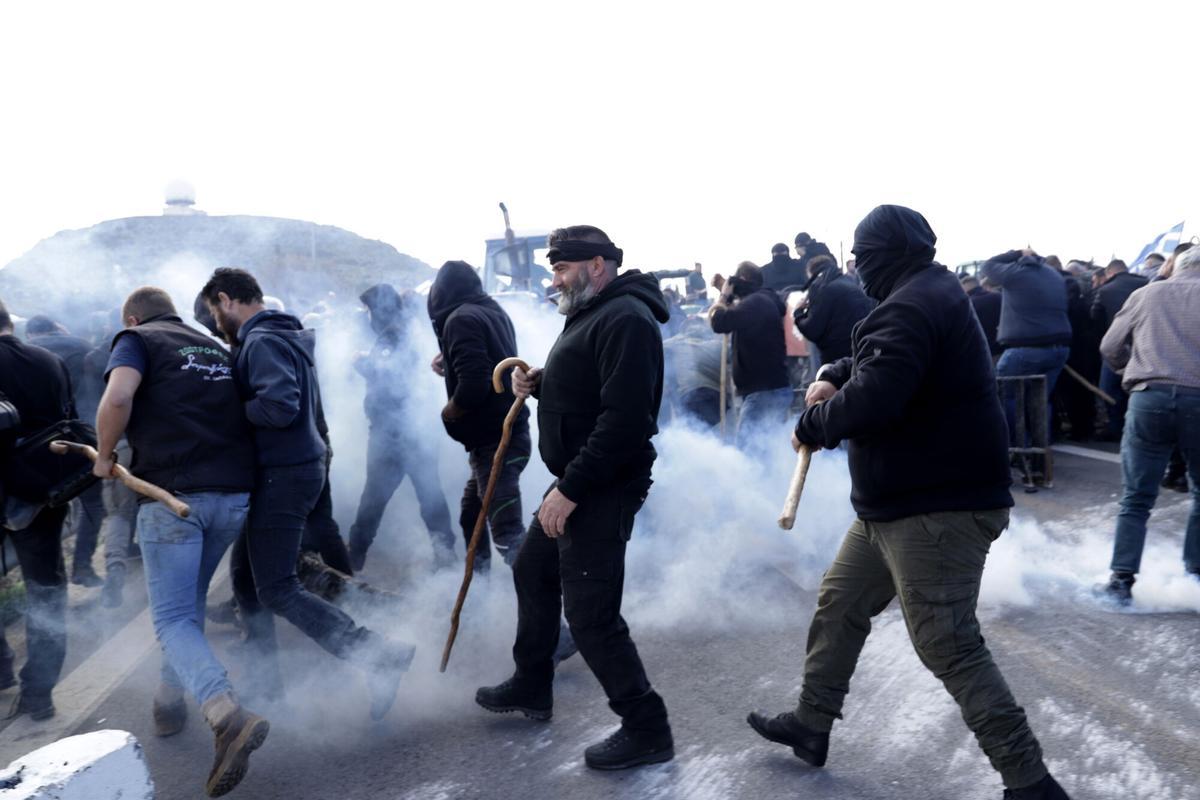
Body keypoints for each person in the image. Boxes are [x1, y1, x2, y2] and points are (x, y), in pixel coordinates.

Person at [747, 206, 1070, 800]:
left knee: (948, 643)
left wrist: (816, 422)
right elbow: (887, 362)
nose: (858, 270)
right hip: (893, 505)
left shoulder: (912, 302)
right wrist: (837, 370)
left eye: (862, 259)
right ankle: (811, 723)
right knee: (839, 603)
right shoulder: (927, 290)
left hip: (934, 509)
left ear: (881, 257)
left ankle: (1030, 782)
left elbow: (881, 395)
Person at [475, 225, 674, 770]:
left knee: (592, 617)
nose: (554, 278)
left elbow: (626, 419)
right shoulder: (593, 311)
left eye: (562, 268)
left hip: (599, 486)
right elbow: (589, 385)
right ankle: (532, 683)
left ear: (597, 265)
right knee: (532, 571)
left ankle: (646, 727)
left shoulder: (627, 320)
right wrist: (541, 383)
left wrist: (569, 490)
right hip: (578, 481)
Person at [200, 268, 415, 721]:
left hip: (283, 472)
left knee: (277, 587)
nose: (216, 323)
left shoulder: (260, 341)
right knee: (246, 581)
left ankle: (375, 653)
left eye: (214, 312)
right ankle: (265, 688)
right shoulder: (283, 333)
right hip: (297, 465)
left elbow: (280, 405)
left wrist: (226, 413)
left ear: (226, 299)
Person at [92, 287, 267, 797]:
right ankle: (169, 701)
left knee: (169, 618)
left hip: (172, 499)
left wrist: (104, 456)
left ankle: (224, 713)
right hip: (233, 497)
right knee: (185, 605)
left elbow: (119, 395)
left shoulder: (137, 337)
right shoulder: (210, 344)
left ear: (132, 316)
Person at [1096, 246, 1200, 605]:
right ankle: (1194, 577)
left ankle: (1121, 581)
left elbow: (1110, 346)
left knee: (1137, 497)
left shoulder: (1148, 293)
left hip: (1149, 397)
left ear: (1176, 266)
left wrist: (1134, 372)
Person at [427, 260, 531, 571]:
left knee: (509, 535)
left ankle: (552, 618)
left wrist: (450, 412)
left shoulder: (460, 319)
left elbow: (473, 384)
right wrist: (449, 355)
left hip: (495, 443)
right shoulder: (489, 309)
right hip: (505, 435)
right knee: (471, 516)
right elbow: (490, 355)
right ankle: (482, 590)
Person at [0, 299, 73, 722]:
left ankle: (0, 668)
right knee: (46, 592)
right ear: (10, 322)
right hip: (41, 493)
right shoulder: (48, 359)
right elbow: (69, 420)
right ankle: (38, 694)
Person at [348, 283, 454, 570]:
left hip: (393, 434)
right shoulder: (412, 330)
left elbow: (386, 377)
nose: (367, 317)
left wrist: (361, 362)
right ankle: (446, 557)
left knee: (374, 500)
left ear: (379, 310)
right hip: (417, 430)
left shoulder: (392, 335)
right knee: (430, 495)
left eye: (369, 311)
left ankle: (354, 558)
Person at [25, 315, 108, 588]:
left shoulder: (26, 355)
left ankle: (50, 575)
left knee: (40, 516)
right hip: (80, 438)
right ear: (58, 327)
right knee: (93, 502)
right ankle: (82, 566)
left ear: (31, 333)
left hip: (32, 451)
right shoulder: (81, 345)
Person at [980, 248, 1072, 447]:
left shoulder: (1016, 273)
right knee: (1040, 398)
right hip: (1059, 348)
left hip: (1026, 348)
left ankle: (1016, 448)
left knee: (1007, 396)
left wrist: (1015, 253)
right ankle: (1041, 448)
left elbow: (988, 265)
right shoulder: (1053, 274)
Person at [708, 261, 791, 448]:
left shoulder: (756, 302)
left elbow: (719, 322)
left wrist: (722, 298)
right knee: (767, 450)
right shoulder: (763, 301)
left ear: (743, 278)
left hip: (763, 393)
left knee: (748, 453)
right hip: (769, 389)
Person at [1091, 259, 1149, 440]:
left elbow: (1095, 318)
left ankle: (1116, 427)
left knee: (1109, 390)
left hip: (1115, 346)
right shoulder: (1147, 284)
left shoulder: (1105, 289)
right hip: (1144, 346)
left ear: (1110, 273)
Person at [793, 254, 874, 365]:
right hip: (861, 348)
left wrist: (798, 312)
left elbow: (812, 330)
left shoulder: (820, 286)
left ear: (811, 273)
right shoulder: (850, 282)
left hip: (836, 357)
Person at [961, 274, 1003, 359]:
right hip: (1001, 349)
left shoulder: (967, 305)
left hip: (981, 353)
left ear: (964, 289)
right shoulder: (998, 296)